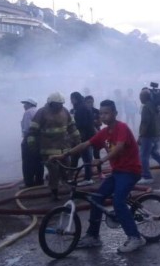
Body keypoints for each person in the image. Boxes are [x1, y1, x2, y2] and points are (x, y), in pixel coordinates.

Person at [49, 99, 146, 253]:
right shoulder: (104, 132)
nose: (103, 116)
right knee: (96, 198)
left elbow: (119, 147)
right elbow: (85, 144)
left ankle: (135, 238)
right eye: (101, 114)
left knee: (118, 202)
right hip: (117, 172)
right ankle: (93, 236)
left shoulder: (122, 128)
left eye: (106, 113)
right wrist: (63, 155)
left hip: (130, 171)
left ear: (115, 113)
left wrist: (102, 160)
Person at [27, 93, 81, 201]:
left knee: (66, 170)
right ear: (51, 104)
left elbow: (72, 127)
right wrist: (32, 145)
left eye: (61, 104)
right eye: (57, 104)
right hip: (48, 149)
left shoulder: (65, 111)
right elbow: (33, 131)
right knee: (54, 172)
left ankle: (68, 190)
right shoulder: (41, 112)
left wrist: (78, 139)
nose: (60, 107)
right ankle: (54, 193)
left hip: (64, 148)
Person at [69, 92, 96, 186]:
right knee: (75, 157)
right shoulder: (81, 107)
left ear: (75, 99)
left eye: (71, 99)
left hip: (84, 137)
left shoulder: (81, 108)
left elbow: (83, 124)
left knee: (86, 158)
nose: (71, 101)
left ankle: (88, 178)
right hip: (83, 137)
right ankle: (71, 177)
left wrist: (80, 138)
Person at [20, 98, 44, 188]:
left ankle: (29, 182)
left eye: (25, 104)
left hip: (29, 139)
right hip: (40, 139)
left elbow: (27, 128)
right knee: (39, 160)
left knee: (27, 162)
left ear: (30, 104)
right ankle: (39, 180)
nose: (24, 106)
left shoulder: (28, 113)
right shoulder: (39, 111)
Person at [85, 95, 105, 178]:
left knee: (96, 154)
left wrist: (91, 122)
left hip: (97, 135)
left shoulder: (96, 111)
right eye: (88, 102)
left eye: (91, 102)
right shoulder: (83, 112)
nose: (90, 104)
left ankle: (100, 172)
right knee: (87, 156)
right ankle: (89, 173)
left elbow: (100, 123)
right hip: (86, 136)